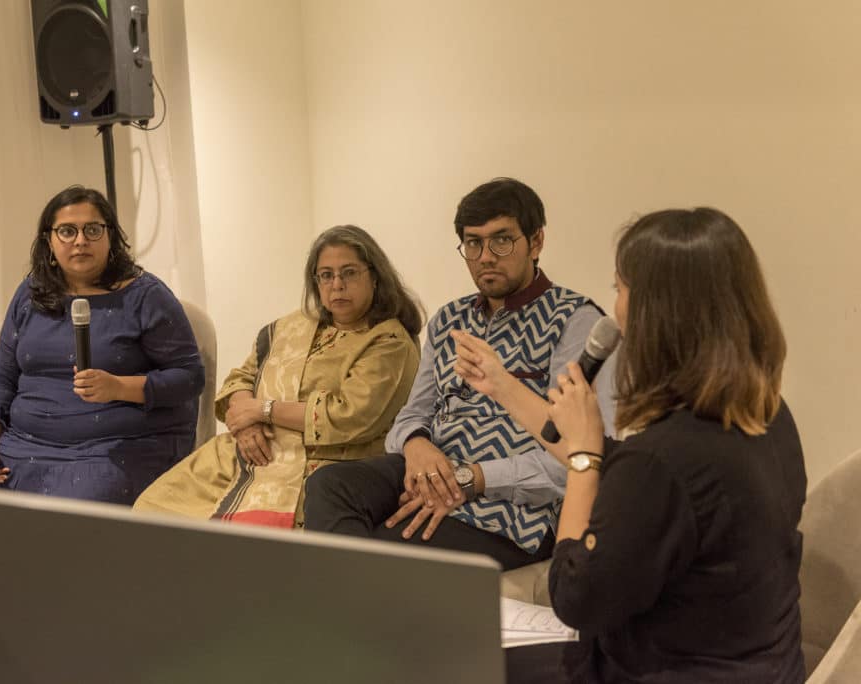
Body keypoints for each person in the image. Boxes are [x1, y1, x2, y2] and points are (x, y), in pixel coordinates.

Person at [459, 208, 805, 682]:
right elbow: (622, 469)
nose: (615, 308)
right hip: (763, 664)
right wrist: (502, 386)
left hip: (671, 671)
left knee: (451, 660)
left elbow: (573, 597)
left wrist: (582, 463)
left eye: (619, 288)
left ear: (657, 314)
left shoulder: (663, 461)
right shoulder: (767, 414)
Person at [304, 178, 615, 570]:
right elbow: (411, 416)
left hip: (512, 503)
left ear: (536, 242)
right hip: (435, 467)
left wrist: (472, 478)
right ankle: (353, 591)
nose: (485, 257)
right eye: (473, 243)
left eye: (501, 240)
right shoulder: (449, 319)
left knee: (384, 548)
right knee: (328, 485)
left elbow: (578, 456)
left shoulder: (574, 320)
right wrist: (417, 445)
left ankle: (352, 593)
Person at [133, 225, 423, 528]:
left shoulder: (389, 342)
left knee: (234, 538)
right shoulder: (292, 327)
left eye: (349, 273)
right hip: (245, 452)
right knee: (151, 510)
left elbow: (348, 416)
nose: (337, 285)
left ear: (375, 276)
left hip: (320, 463)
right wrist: (248, 424)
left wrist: (263, 410)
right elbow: (241, 378)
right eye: (326, 275)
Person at [0, 186, 205, 504]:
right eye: (67, 231)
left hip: (116, 448)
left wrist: (119, 387)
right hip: (23, 445)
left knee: (70, 520)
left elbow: (190, 378)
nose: (81, 240)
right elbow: (1, 375)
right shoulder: (30, 294)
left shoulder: (146, 296)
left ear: (110, 236)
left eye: (93, 229)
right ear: (49, 240)